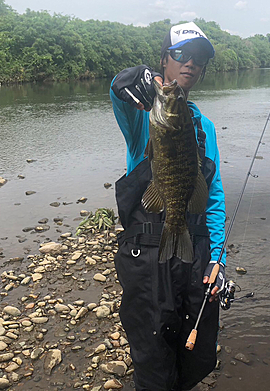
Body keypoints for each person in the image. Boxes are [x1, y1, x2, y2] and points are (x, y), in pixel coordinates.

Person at [110, 22, 226, 391]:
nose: (190, 65)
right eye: (181, 56)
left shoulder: (204, 126)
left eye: (199, 60)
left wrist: (217, 257)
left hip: (194, 252)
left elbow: (215, 194)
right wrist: (127, 79)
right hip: (148, 256)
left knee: (195, 353)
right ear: (163, 61)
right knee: (153, 357)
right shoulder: (143, 113)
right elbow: (120, 92)